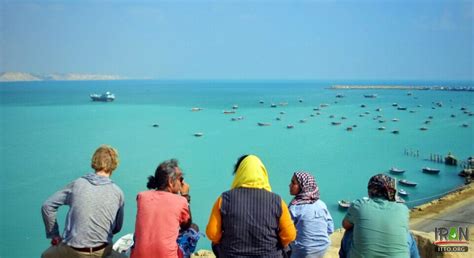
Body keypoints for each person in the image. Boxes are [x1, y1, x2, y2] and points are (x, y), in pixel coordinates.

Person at [41, 145, 125, 258]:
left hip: (73, 251)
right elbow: (117, 228)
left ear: (94, 161)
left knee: (46, 255)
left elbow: (47, 206)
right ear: (114, 165)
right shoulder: (118, 192)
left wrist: (54, 235)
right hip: (102, 251)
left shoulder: (77, 184)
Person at [206, 155, 297, 257]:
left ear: (240, 174)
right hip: (269, 255)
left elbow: (212, 233)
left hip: (232, 255)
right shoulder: (277, 201)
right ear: (263, 174)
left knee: (216, 244)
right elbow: (289, 235)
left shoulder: (224, 199)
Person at [339, 174, 420, 258]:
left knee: (350, 231)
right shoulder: (403, 209)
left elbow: (345, 225)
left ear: (370, 190)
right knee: (408, 236)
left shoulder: (359, 205)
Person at [130, 159, 199, 258]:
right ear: (171, 182)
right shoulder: (180, 201)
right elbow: (185, 225)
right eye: (181, 179)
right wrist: (185, 196)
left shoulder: (142, 197)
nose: (182, 183)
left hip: (138, 255)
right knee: (193, 228)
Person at [288, 171, 334, 258]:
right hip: (322, 248)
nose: (289, 185)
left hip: (303, 251)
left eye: (293, 183)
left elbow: (287, 232)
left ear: (303, 186)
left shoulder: (295, 208)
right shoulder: (321, 204)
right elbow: (330, 228)